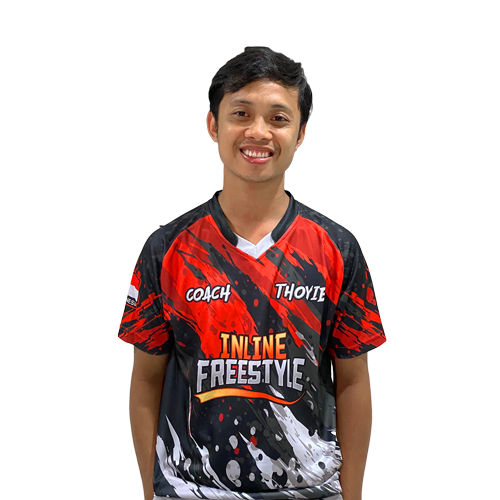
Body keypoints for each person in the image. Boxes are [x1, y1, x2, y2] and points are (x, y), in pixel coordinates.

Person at [118, 48, 386, 500]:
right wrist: (151, 490)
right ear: (213, 126)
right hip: (192, 490)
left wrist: (353, 493)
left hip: (309, 490)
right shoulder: (167, 249)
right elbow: (146, 380)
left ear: (300, 133)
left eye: (278, 118)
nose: (258, 132)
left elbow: (354, 380)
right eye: (240, 113)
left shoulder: (337, 248)